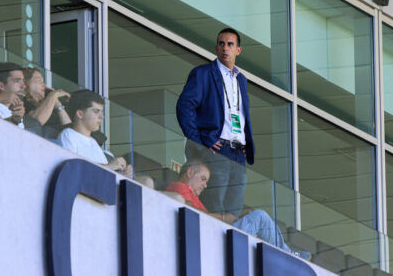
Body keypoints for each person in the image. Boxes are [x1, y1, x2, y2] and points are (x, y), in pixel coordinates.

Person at [176, 27, 255, 218]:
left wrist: (244, 142)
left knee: (233, 210)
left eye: (230, 44)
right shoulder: (203, 74)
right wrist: (200, 140)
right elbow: (184, 107)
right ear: (216, 48)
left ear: (238, 50)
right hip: (216, 148)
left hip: (237, 153)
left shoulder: (241, 80)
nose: (225, 48)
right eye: (221, 44)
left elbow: (238, 114)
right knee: (214, 206)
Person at [166, 160, 306, 259]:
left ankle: (285, 254)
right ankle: (288, 255)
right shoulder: (179, 187)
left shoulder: (197, 199)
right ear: (190, 172)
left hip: (217, 238)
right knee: (260, 216)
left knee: (257, 217)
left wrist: (239, 218)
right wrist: (223, 218)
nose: (205, 185)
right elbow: (189, 211)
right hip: (214, 242)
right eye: (203, 179)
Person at [58, 90, 133, 178]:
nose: (101, 116)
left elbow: (104, 175)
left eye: (101, 112)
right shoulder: (68, 135)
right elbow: (71, 170)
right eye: (96, 111)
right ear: (80, 114)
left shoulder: (94, 143)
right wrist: (109, 166)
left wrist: (122, 174)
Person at [22, 66, 71, 133]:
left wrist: (57, 104)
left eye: (43, 82)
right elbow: (35, 122)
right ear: (25, 83)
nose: (44, 85)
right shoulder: (22, 101)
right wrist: (53, 95)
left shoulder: (49, 104)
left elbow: (68, 129)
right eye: (39, 81)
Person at [0, 61, 28, 127]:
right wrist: (15, 119)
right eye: (17, 81)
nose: (23, 86)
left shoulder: (15, 115)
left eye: (23, 81)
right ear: (1, 86)